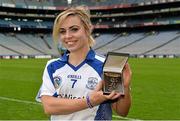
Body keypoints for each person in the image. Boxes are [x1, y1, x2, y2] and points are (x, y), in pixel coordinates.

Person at [36, 5, 132, 120]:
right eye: (62, 31)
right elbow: (49, 107)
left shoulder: (106, 65)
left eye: (74, 29)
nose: (67, 36)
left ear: (88, 29)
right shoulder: (52, 66)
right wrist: (89, 101)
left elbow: (122, 111)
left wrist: (125, 88)